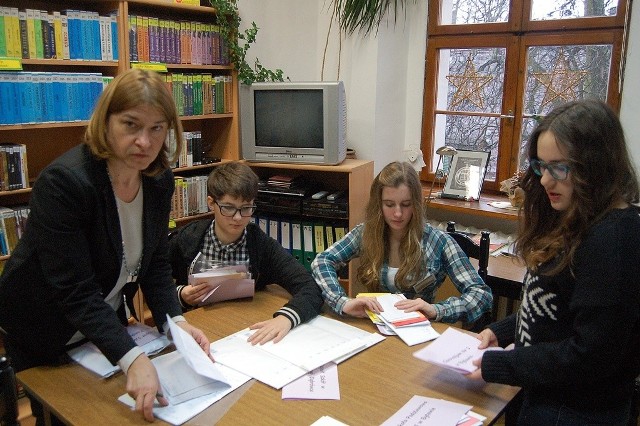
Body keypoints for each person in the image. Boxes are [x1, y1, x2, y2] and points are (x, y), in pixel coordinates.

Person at [0, 68, 210, 424]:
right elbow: (75, 290)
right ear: (106, 123)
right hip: (42, 326)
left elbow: (156, 264)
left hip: (101, 324)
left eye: (157, 128)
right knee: (64, 416)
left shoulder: (159, 182)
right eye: (131, 125)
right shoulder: (64, 184)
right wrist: (132, 358)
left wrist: (174, 322)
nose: (145, 141)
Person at [467, 100, 640, 425]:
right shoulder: (577, 214)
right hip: (542, 397)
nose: (545, 180)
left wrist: (505, 365)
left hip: (576, 413)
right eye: (541, 167)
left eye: (559, 167)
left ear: (595, 165)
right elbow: (557, 308)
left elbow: (590, 356)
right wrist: (503, 330)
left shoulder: (615, 238)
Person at [311, 161, 492, 324]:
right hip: (376, 325)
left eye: (406, 205)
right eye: (389, 205)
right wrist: (343, 302)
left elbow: (481, 294)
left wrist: (437, 309)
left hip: (419, 330)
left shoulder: (438, 242)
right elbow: (322, 261)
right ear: (379, 204)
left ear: (416, 204)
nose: (398, 214)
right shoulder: (366, 233)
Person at [169, 161, 324, 345]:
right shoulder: (187, 240)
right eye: (228, 207)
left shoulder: (260, 245)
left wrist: (285, 319)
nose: (237, 217)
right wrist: (181, 294)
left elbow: (309, 287)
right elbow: (154, 286)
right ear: (211, 203)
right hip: (197, 331)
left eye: (246, 208)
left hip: (242, 329)